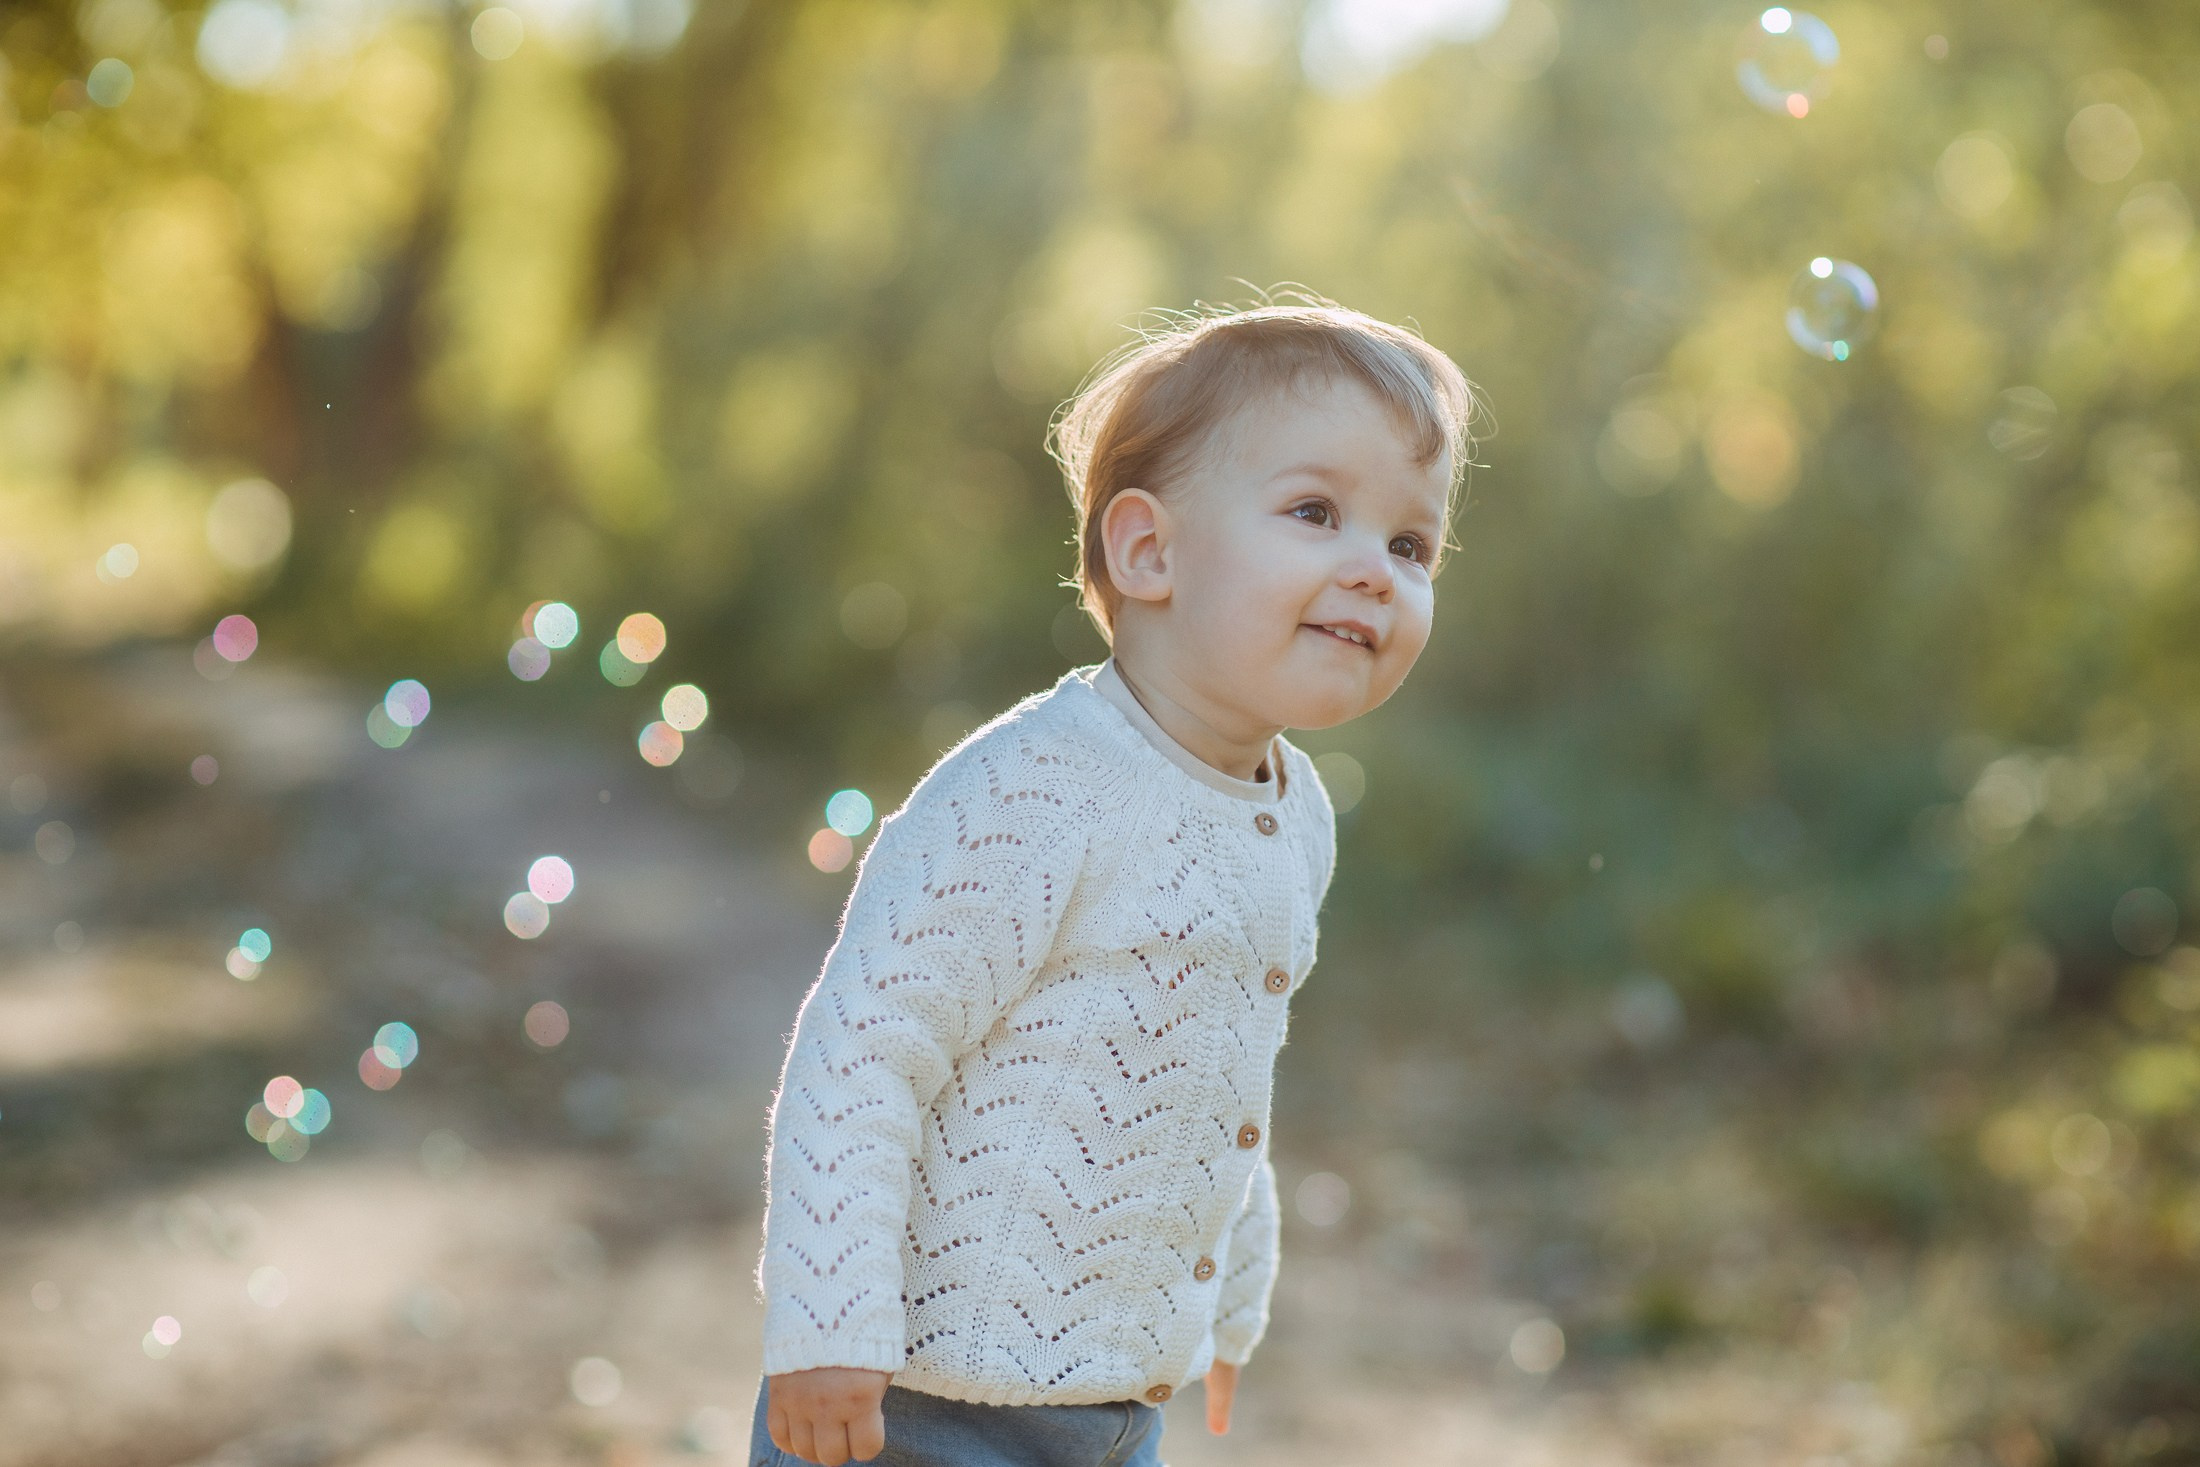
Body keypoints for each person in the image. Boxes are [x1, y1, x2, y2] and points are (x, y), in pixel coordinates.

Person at [750, 296, 1477, 1467]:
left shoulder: (1293, 819)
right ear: (1149, 552)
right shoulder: (1035, 791)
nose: (1375, 572)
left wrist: (1228, 1302)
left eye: (1410, 545)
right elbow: (864, 1047)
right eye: (1314, 512)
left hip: (1112, 1411)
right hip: (918, 1404)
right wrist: (827, 1324)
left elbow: (1212, 1074)